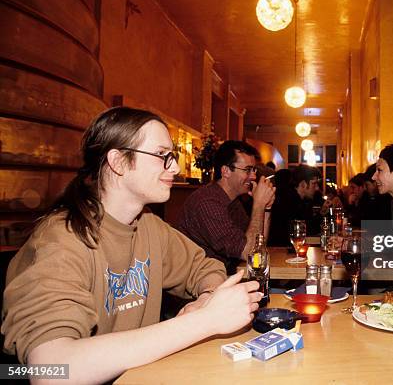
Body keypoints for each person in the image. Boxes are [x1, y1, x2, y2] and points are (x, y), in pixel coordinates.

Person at [1, 107, 262, 383]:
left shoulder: (149, 225)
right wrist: (202, 321)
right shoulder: (61, 238)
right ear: (118, 161)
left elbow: (205, 267)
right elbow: (50, 371)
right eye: (162, 156)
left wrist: (207, 298)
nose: (174, 167)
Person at [177, 141, 275, 274]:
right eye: (247, 170)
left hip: (225, 279)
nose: (253, 177)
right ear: (226, 171)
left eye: (254, 170)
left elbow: (257, 245)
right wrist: (258, 205)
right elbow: (249, 253)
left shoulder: (233, 201)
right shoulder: (207, 203)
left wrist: (266, 208)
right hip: (202, 287)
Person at [267, 165, 321, 246]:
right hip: (281, 252)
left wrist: (322, 213)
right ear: (303, 184)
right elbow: (308, 230)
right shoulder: (289, 202)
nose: (317, 188)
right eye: (314, 183)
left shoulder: (298, 200)